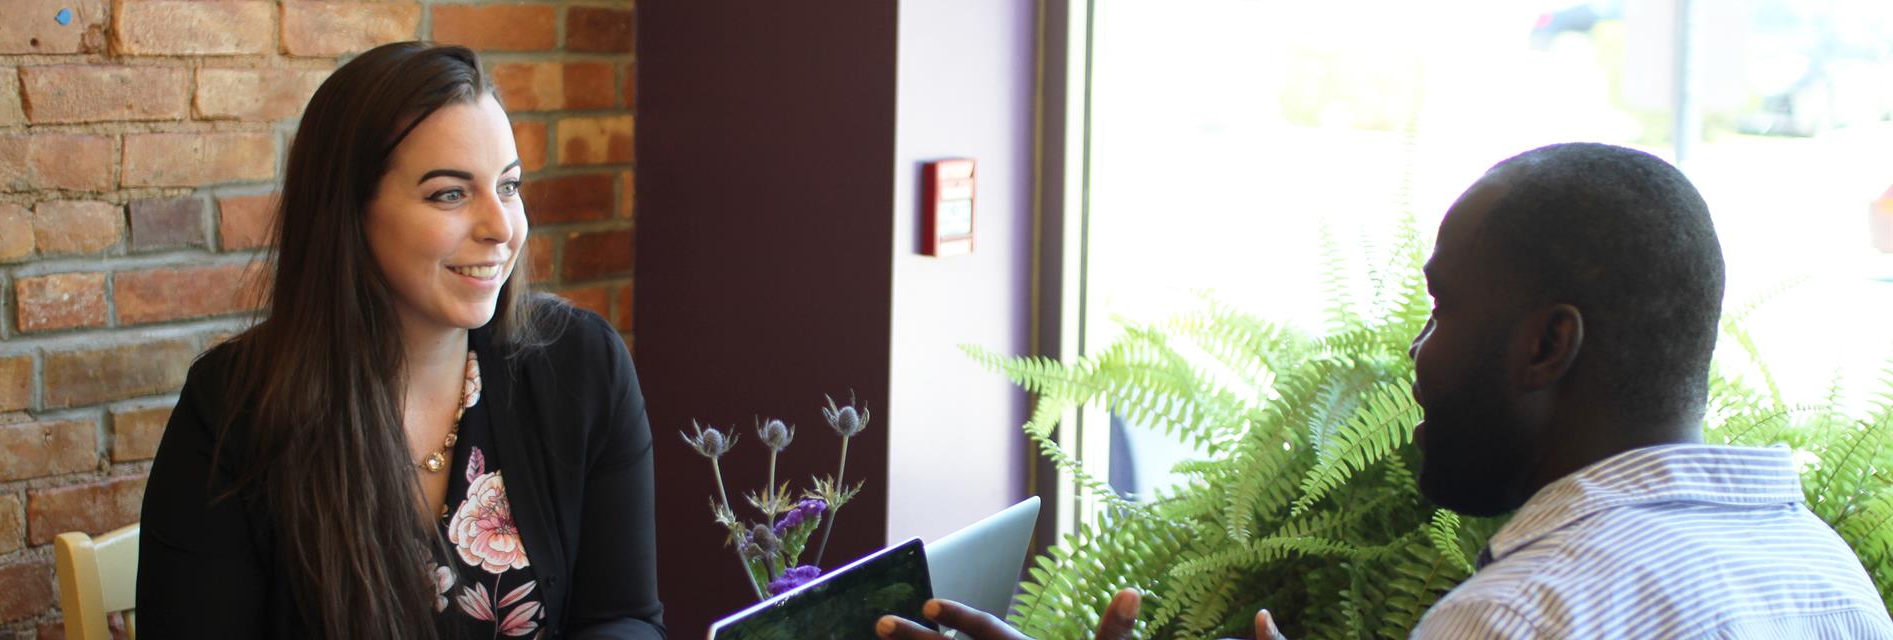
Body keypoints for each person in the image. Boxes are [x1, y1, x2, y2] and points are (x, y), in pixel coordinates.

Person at [878, 143, 1893, 639]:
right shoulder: (1828, 579)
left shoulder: (1523, 616)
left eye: (1441, 310)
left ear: (1545, 345)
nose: (1414, 353)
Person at [137, 42, 665, 638]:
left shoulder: (580, 364)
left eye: (510, 186)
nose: (501, 227)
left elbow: (623, 616)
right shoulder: (233, 411)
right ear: (350, 214)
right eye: (450, 193)